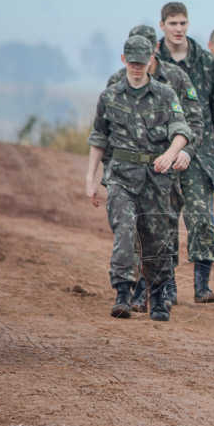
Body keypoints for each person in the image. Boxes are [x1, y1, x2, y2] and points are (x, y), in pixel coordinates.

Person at [85, 35, 193, 321]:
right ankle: (123, 291)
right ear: (123, 60)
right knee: (124, 230)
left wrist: (171, 153)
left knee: (156, 240)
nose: (136, 67)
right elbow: (99, 139)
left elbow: (182, 130)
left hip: (157, 180)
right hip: (120, 176)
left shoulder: (165, 94)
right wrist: (90, 179)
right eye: (131, 62)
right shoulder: (110, 96)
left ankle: (157, 295)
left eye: (141, 62)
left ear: (151, 61)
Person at [105, 24, 204, 314]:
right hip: (125, 173)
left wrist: (184, 151)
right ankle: (132, 290)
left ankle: (161, 285)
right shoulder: (115, 83)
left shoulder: (175, 79)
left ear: (154, 50)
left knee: (160, 230)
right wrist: (106, 174)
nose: (139, 60)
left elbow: (193, 121)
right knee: (127, 229)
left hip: (166, 169)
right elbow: (107, 133)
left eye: (145, 51)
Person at [157, 1, 214, 304]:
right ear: (162, 25)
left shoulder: (204, 60)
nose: (178, 29)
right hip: (161, 152)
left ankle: (202, 285)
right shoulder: (153, 59)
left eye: (182, 23)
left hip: (199, 154)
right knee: (164, 219)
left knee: (201, 219)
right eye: (172, 23)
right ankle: (168, 284)